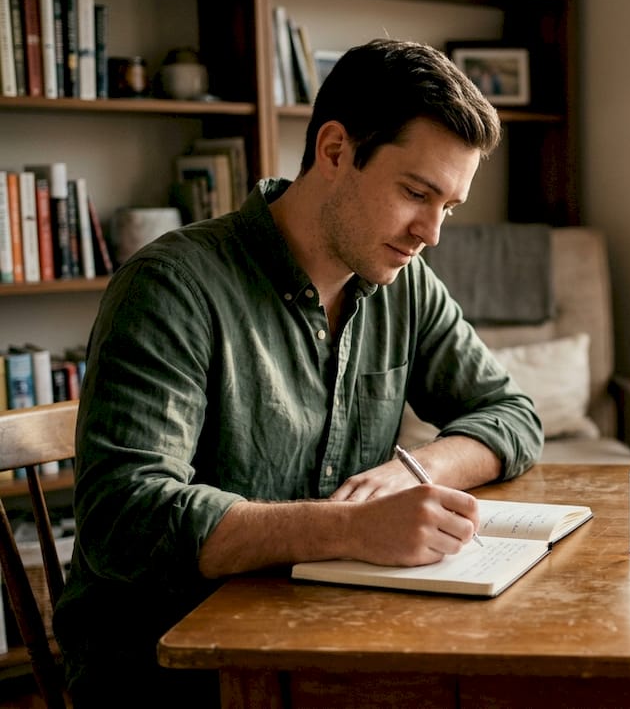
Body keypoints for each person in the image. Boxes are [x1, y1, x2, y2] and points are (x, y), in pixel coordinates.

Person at [52, 39, 543, 706]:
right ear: (335, 151)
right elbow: (127, 519)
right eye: (416, 193)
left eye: (448, 207)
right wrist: (350, 528)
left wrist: (411, 474)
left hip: (329, 636)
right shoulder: (170, 288)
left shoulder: (405, 283)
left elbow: (512, 414)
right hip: (170, 671)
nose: (431, 232)